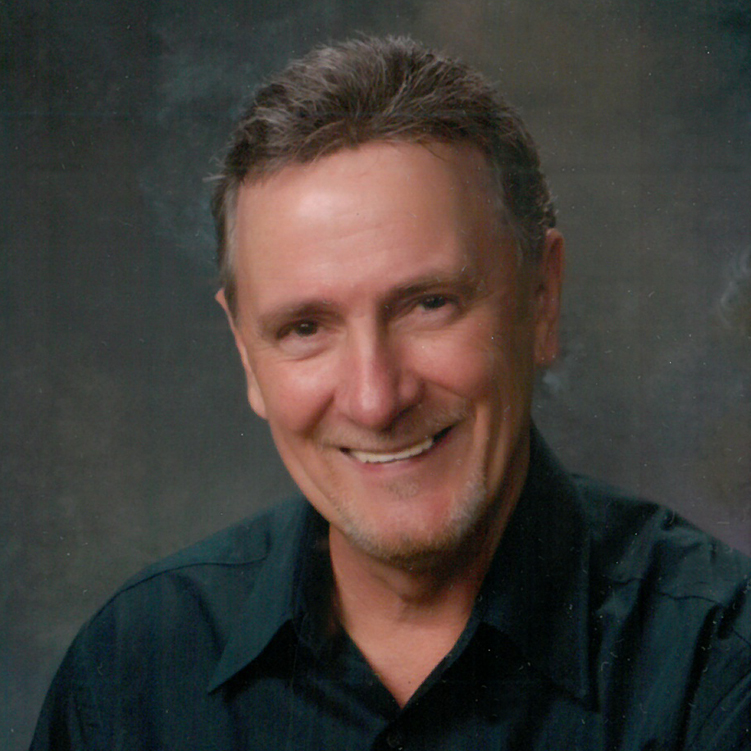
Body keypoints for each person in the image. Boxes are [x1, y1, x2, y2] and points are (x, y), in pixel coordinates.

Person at [31, 36, 750, 750]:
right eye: (305, 327)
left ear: (541, 299)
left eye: (429, 303)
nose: (376, 400)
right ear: (246, 354)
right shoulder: (130, 673)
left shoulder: (718, 659)